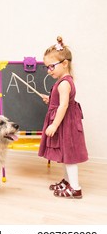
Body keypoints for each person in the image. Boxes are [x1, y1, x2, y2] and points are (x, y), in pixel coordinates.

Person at [39, 36, 88, 199]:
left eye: (52, 66)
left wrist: (53, 125)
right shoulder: (64, 81)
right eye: (47, 67)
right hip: (65, 122)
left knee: (69, 155)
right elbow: (60, 102)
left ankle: (75, 188)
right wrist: (50, 99)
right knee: (65, 154)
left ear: (65, 64)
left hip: (65, 124)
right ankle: (67, 182)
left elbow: (64, 106)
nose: (49, 70)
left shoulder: (64, 83)